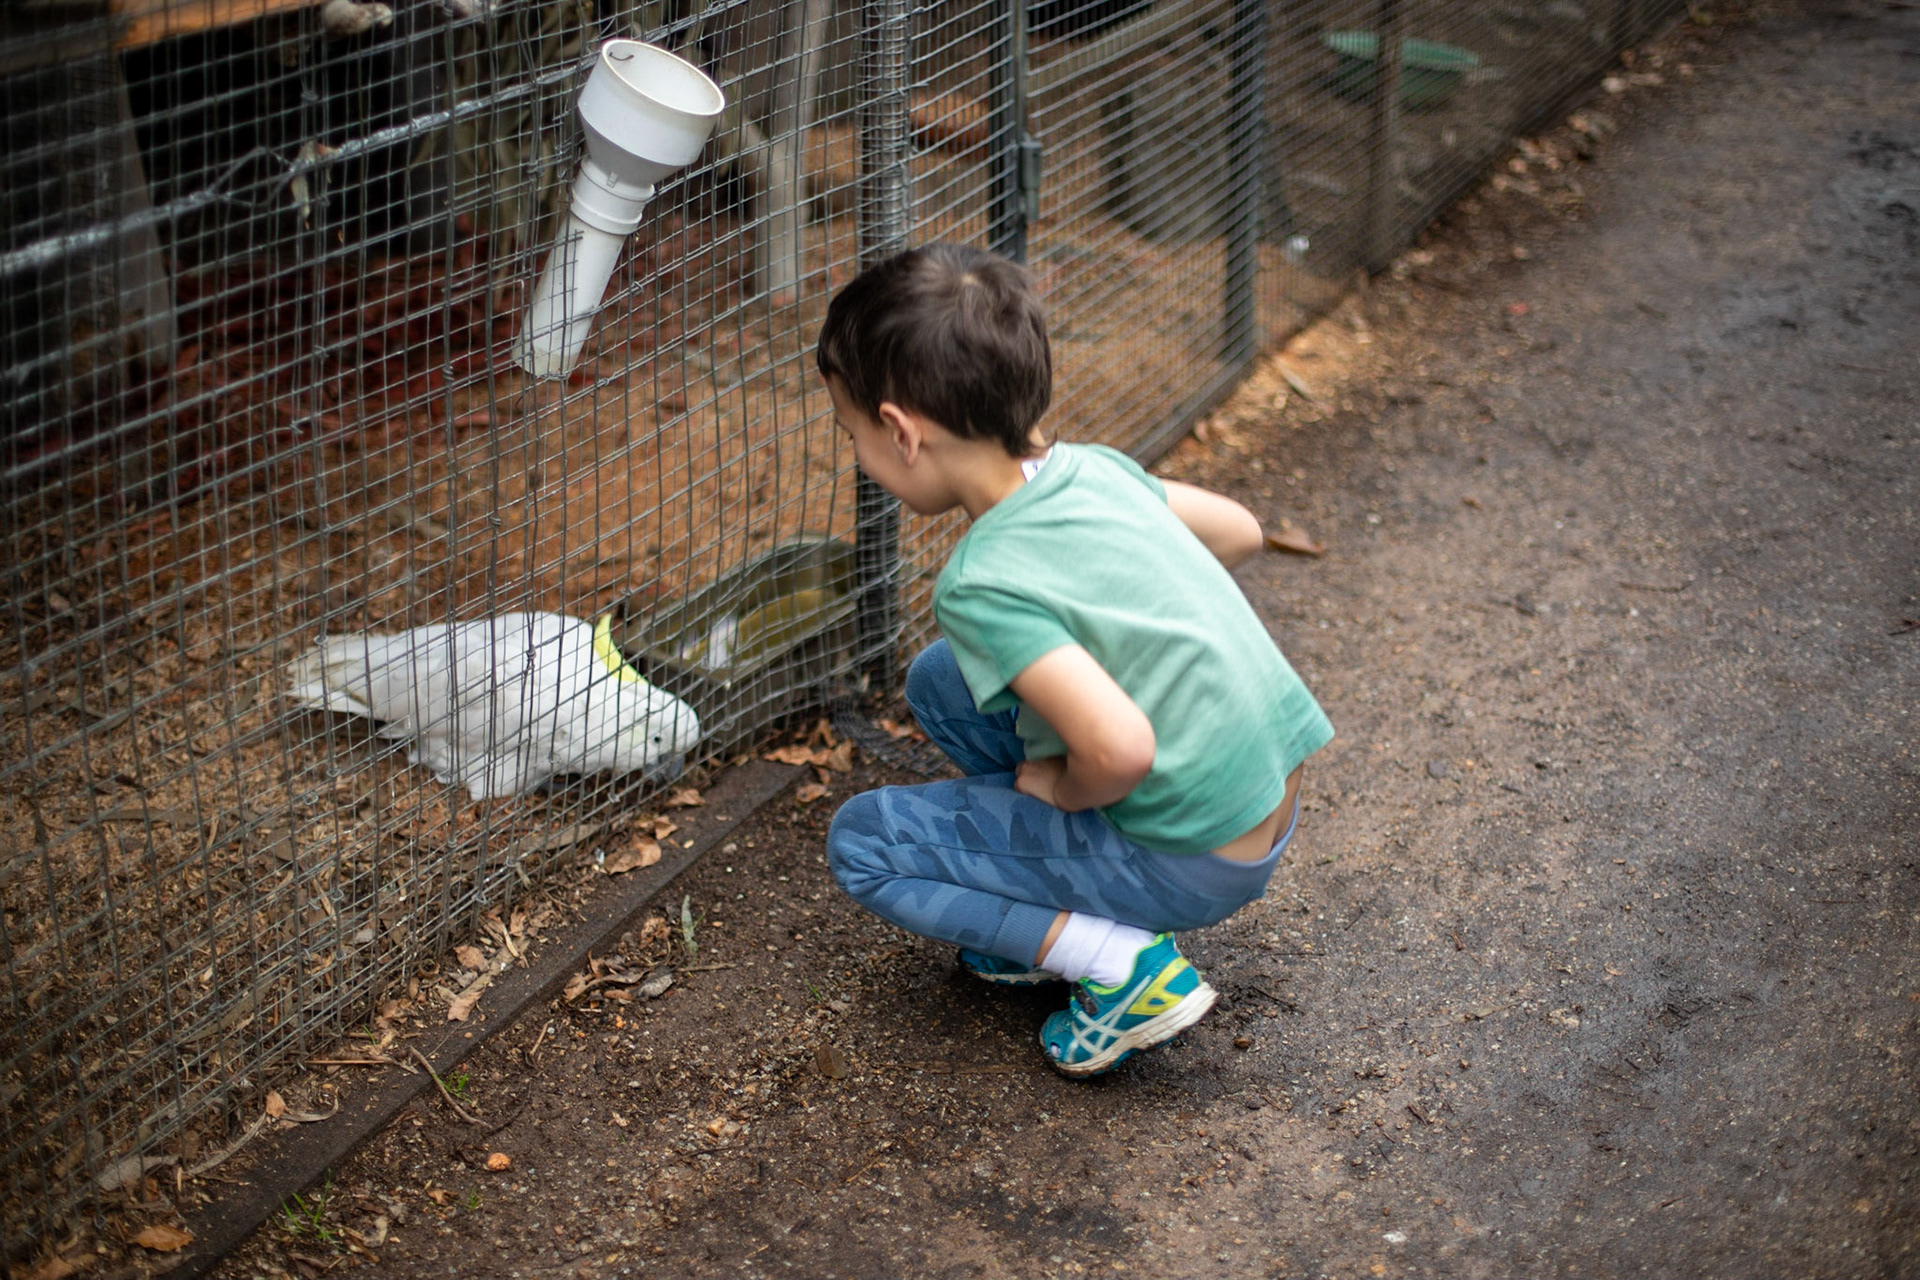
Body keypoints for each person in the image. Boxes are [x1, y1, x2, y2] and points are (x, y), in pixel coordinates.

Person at [819, 244, 1334, 1078]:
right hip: (1264, 799)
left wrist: (1060, 786)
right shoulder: (1091, 471)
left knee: (863, 844)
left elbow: (1121, 749)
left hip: (1192, 853)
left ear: (902, 433)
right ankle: (1054, 903)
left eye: (854, 435)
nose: (858, 455)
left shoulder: (981, 581)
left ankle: (1122, 968)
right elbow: (1240, 530)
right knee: (942, 682)